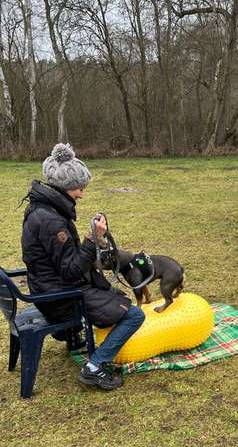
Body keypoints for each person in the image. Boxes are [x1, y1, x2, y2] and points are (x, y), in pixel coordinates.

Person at [21, 143, 145, 391]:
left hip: (46, 288)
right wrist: (92, 240)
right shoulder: (52, 222)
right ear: (65, 187)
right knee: (134, 315)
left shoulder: (41, 208)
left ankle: (73, 336)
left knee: (113, 297)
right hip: (61, 296)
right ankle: (95, 367)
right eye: (79, 188)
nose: (82, 194)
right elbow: (70, 271)